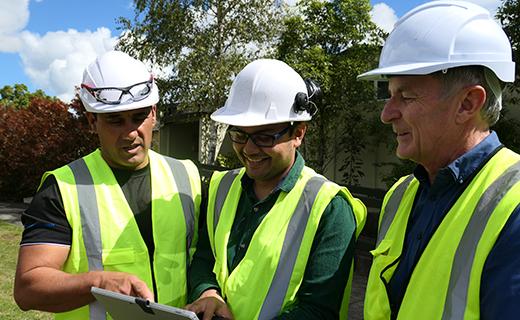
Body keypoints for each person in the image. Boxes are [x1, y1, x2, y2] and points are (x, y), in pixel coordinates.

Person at [357, 1, 519, 319]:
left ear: (468, 103)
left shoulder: (514, 205)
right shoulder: (400, 195)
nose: (386, 113)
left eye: (406, 96)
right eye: (388, 94)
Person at [13, 50, 201, 319]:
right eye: (115, 120)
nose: (130, 132)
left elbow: (205, 260)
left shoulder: (187, 175)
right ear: (92, 121)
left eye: (139, 117)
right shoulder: (63, 187)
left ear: (154, 113)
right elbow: (28, 288)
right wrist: (98, 284)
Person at [185, 58, 367, 320]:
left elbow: (319, 310)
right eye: (240, 134)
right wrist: (207, 292)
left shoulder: (329, 207)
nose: (248, 149)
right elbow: (204, 257)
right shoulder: (223, 187)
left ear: (299, 133)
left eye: (264, 136)